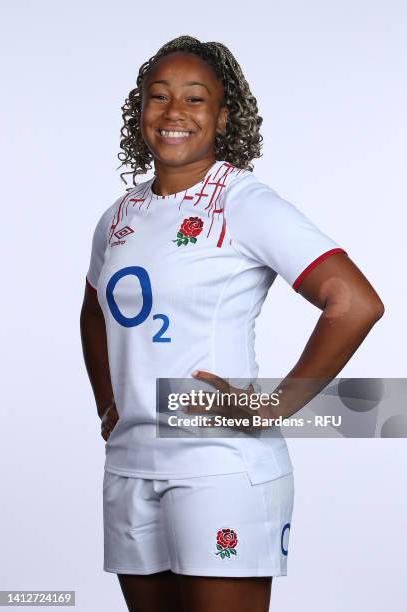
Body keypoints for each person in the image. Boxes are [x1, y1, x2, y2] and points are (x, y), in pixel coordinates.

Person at [80, 35, 384, 612]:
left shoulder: (243, 202)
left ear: (222, 117)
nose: (173, 113)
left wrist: (275, 404)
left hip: (220, 463)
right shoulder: (120, 214)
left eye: (195, 100)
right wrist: (107, 402)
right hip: (129, 463)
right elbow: (95, 307)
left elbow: (354, 302)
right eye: (159, 96)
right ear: (139, 109)